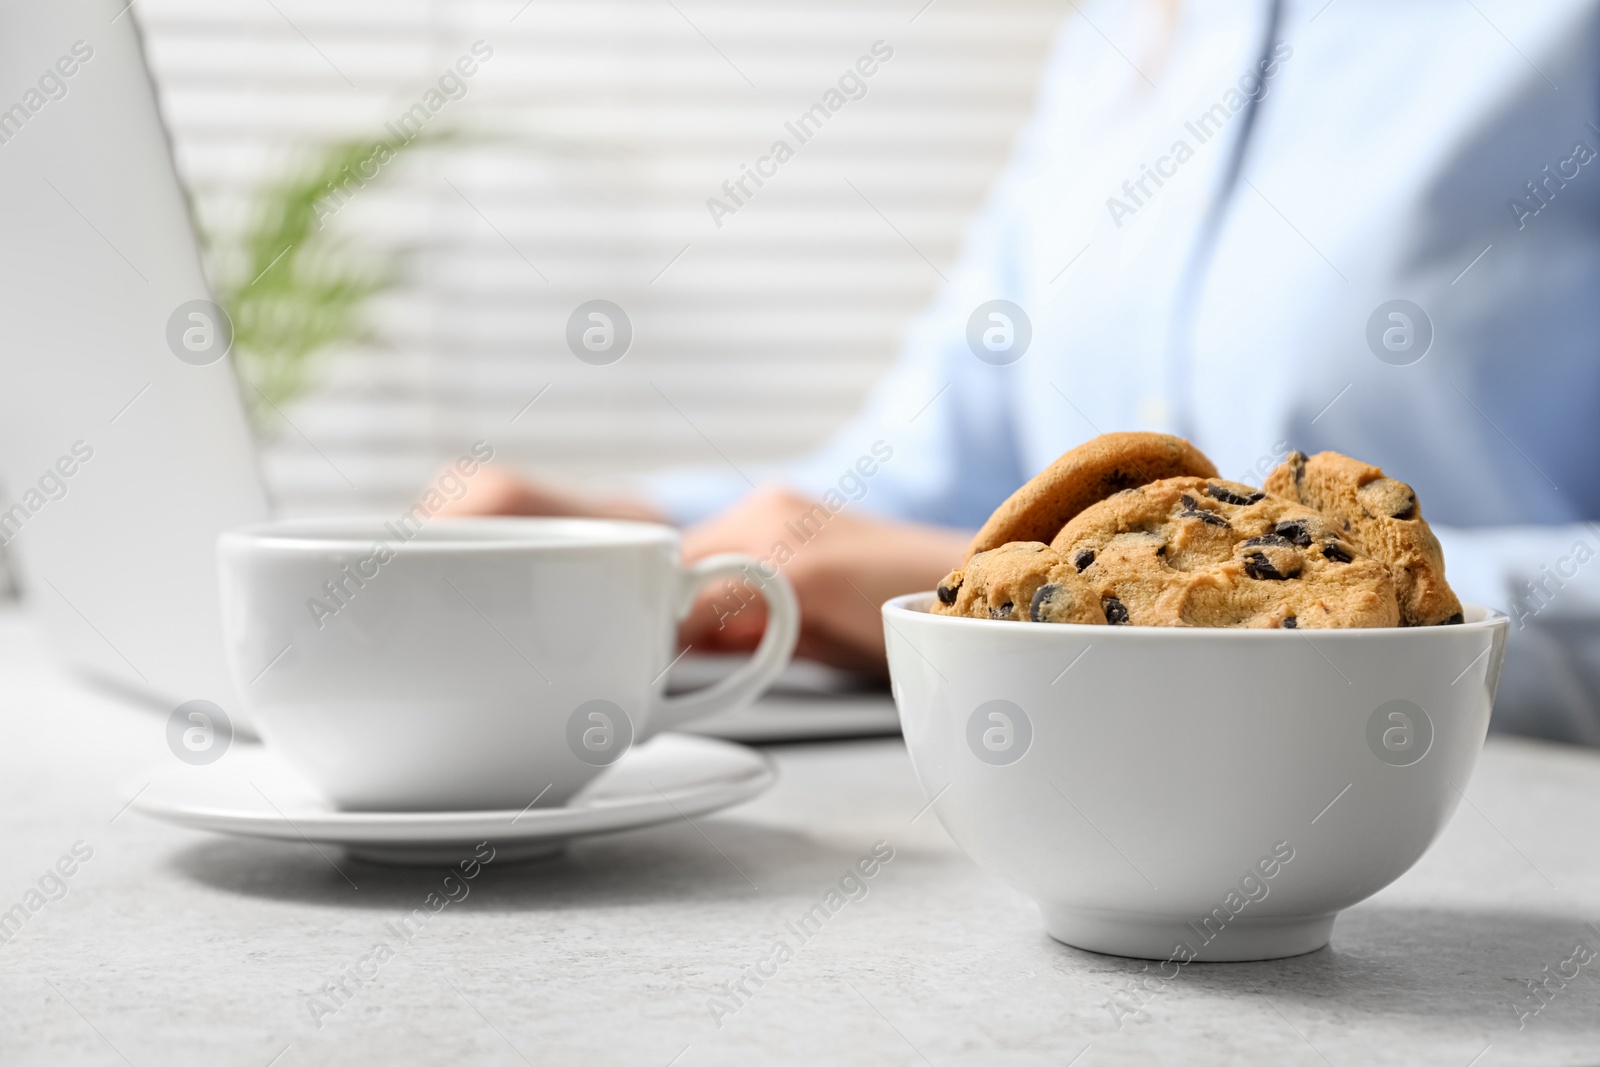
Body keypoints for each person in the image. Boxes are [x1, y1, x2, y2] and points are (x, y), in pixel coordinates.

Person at [444, 0, 1600, 743]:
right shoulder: (1129, 38)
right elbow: (955, 465)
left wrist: (1015, 590)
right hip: (1072, 784)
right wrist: (623, 534)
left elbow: (962, 544)